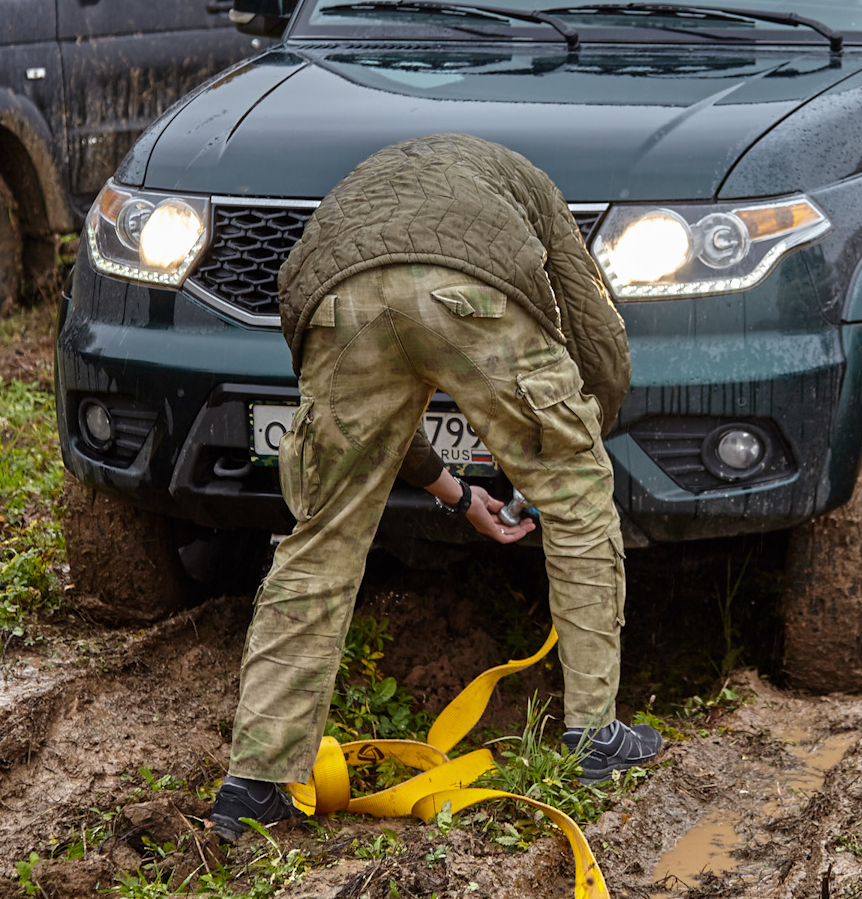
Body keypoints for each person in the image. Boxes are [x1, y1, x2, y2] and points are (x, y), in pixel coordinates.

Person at [207, 132, 662, 842]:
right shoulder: (531, 187)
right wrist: (574, 436)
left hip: (336, 303)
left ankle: (257, 784)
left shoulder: (360, 191)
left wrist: (456, 492)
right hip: (474, 291)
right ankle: (593, 737)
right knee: (578, 501)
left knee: (320, 538)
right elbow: (595, 327)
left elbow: (359, 379)